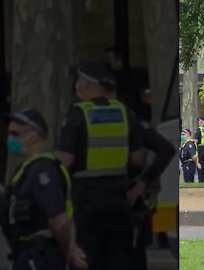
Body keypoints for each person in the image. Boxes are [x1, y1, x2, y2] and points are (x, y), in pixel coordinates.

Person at [55, 61, 145, 270]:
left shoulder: (77, 113)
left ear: (86, 85)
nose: (76, 85)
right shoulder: (123, 111)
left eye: (78, 80)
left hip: (87, 203)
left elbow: (65, 160)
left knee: (87, 259)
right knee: (117, 260)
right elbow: (138, 158)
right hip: (119, 201)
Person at [2, 109, 87, 270]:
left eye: (15, 133)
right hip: (26, 255)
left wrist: (69, 250)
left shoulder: (43, 171)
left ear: (33, 137)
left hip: (41, 256)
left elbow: (60, 220)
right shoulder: (26, 169)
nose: (10, 138)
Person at [127, 88, 176, 270]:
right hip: (136, 205)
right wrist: (144, 182)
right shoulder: (133, 122)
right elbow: (166, 150)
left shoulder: (130, 123)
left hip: (125, 206)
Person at [105, 47, 143, 117]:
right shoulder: (109, 75)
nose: (107, 62)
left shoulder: (129, 76)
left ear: (118, 60)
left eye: (109, 58)